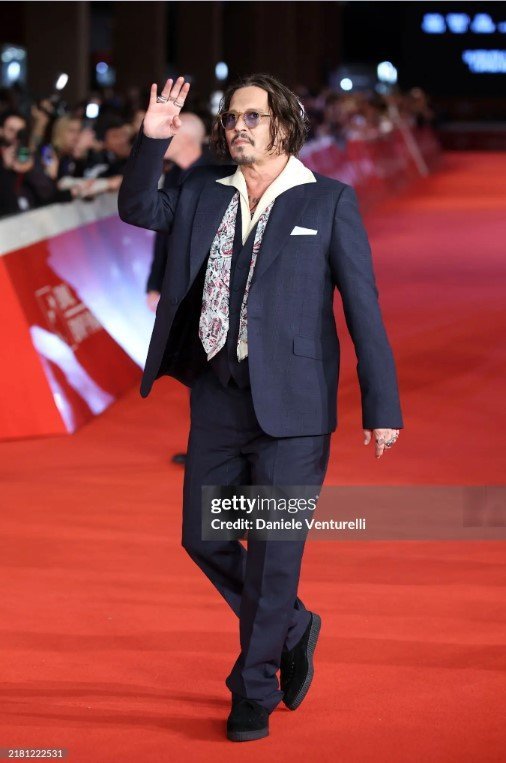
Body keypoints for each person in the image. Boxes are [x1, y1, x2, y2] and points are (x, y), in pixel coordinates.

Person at [118, 74, 403, 742]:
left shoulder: (328, 199)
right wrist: (150, 142)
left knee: (275, 552)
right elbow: (137, 209)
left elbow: (363, 307)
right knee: (203, 535)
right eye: (230, 117)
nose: (236, 127)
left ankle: (255, 688)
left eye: (252, 116)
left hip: (296, 408)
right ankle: (295, 624)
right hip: (218, 395)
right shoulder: (201, 190)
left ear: (285, 125)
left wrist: (381, 403)